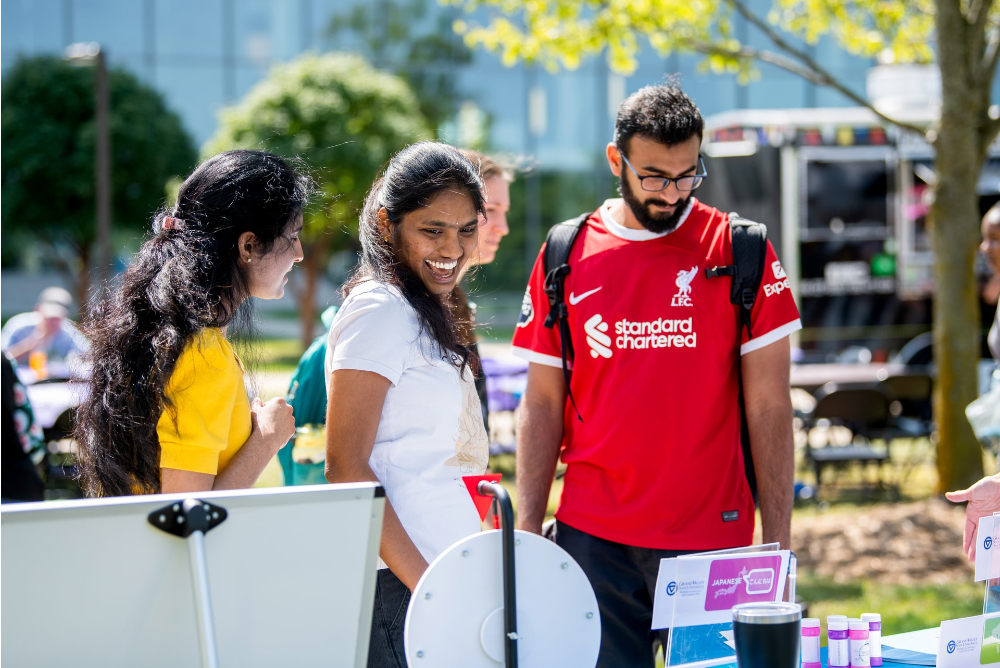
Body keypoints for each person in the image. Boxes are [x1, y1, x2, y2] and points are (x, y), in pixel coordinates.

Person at [511, 84, 801, 667]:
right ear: (616, 160)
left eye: (686, 175)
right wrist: (525, 529)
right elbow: (541, 403)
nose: (671, 193)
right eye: (653, 177)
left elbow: (770, 406)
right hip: (595, 538)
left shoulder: (742, 249)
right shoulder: (565, 252)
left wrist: (778, 546)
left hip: (713, 538)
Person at [323, 141, 489, 667]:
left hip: (437, 578)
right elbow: (345, 467)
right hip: (403, 590)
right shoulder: (380, 309)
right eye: (432, 229)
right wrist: (429, 589)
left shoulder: (418, 308)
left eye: (466, 229)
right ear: (385, 224)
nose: (453, 247)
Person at [75, 150, 303, 496]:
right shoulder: (202, 356)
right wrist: (266, 442)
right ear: (249, 245)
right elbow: (184, 515)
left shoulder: (174, 336)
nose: (300, 253)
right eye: (293, 236)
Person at [1, 286, 89, 368]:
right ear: (38, 310)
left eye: (57, 318)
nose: (52, 322)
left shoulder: (68, 329)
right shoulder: (19, 325)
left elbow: (88, 354)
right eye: (49, 317)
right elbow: (3, 358)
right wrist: (33, 341)